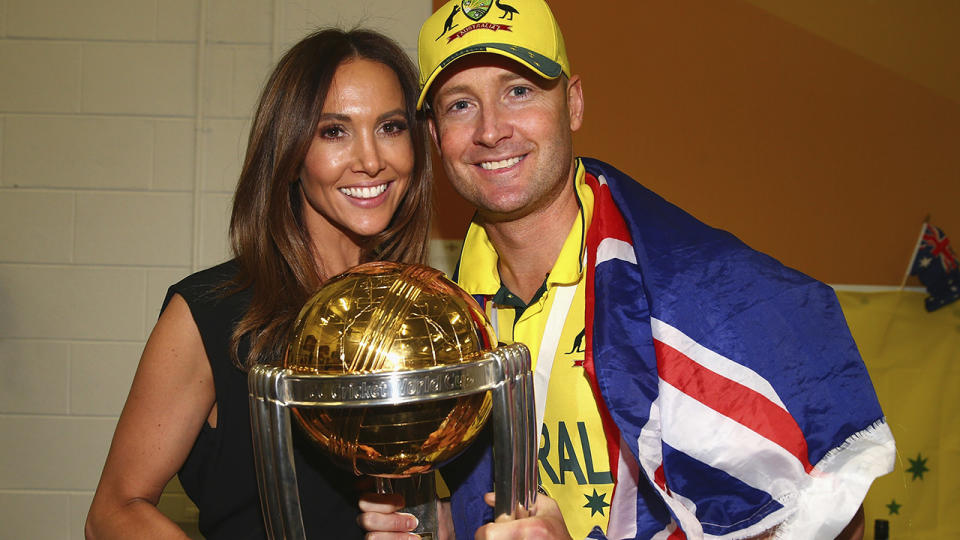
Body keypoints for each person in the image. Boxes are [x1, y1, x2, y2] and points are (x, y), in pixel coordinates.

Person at [358, 1, 895, 538]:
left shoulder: (699, 296)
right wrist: (446, 525)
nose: (491, 130)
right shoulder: (442, 320)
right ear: (434, 136)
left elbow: (834, 521)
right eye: (459, 105)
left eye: (518, 91)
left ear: (572, 105)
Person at [85, 28, 432, 539]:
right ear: (290, 152)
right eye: (334, 131)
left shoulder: (426, 312)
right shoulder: (211, 312)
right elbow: (114, 510)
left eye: (391, 127)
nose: (371, 160)